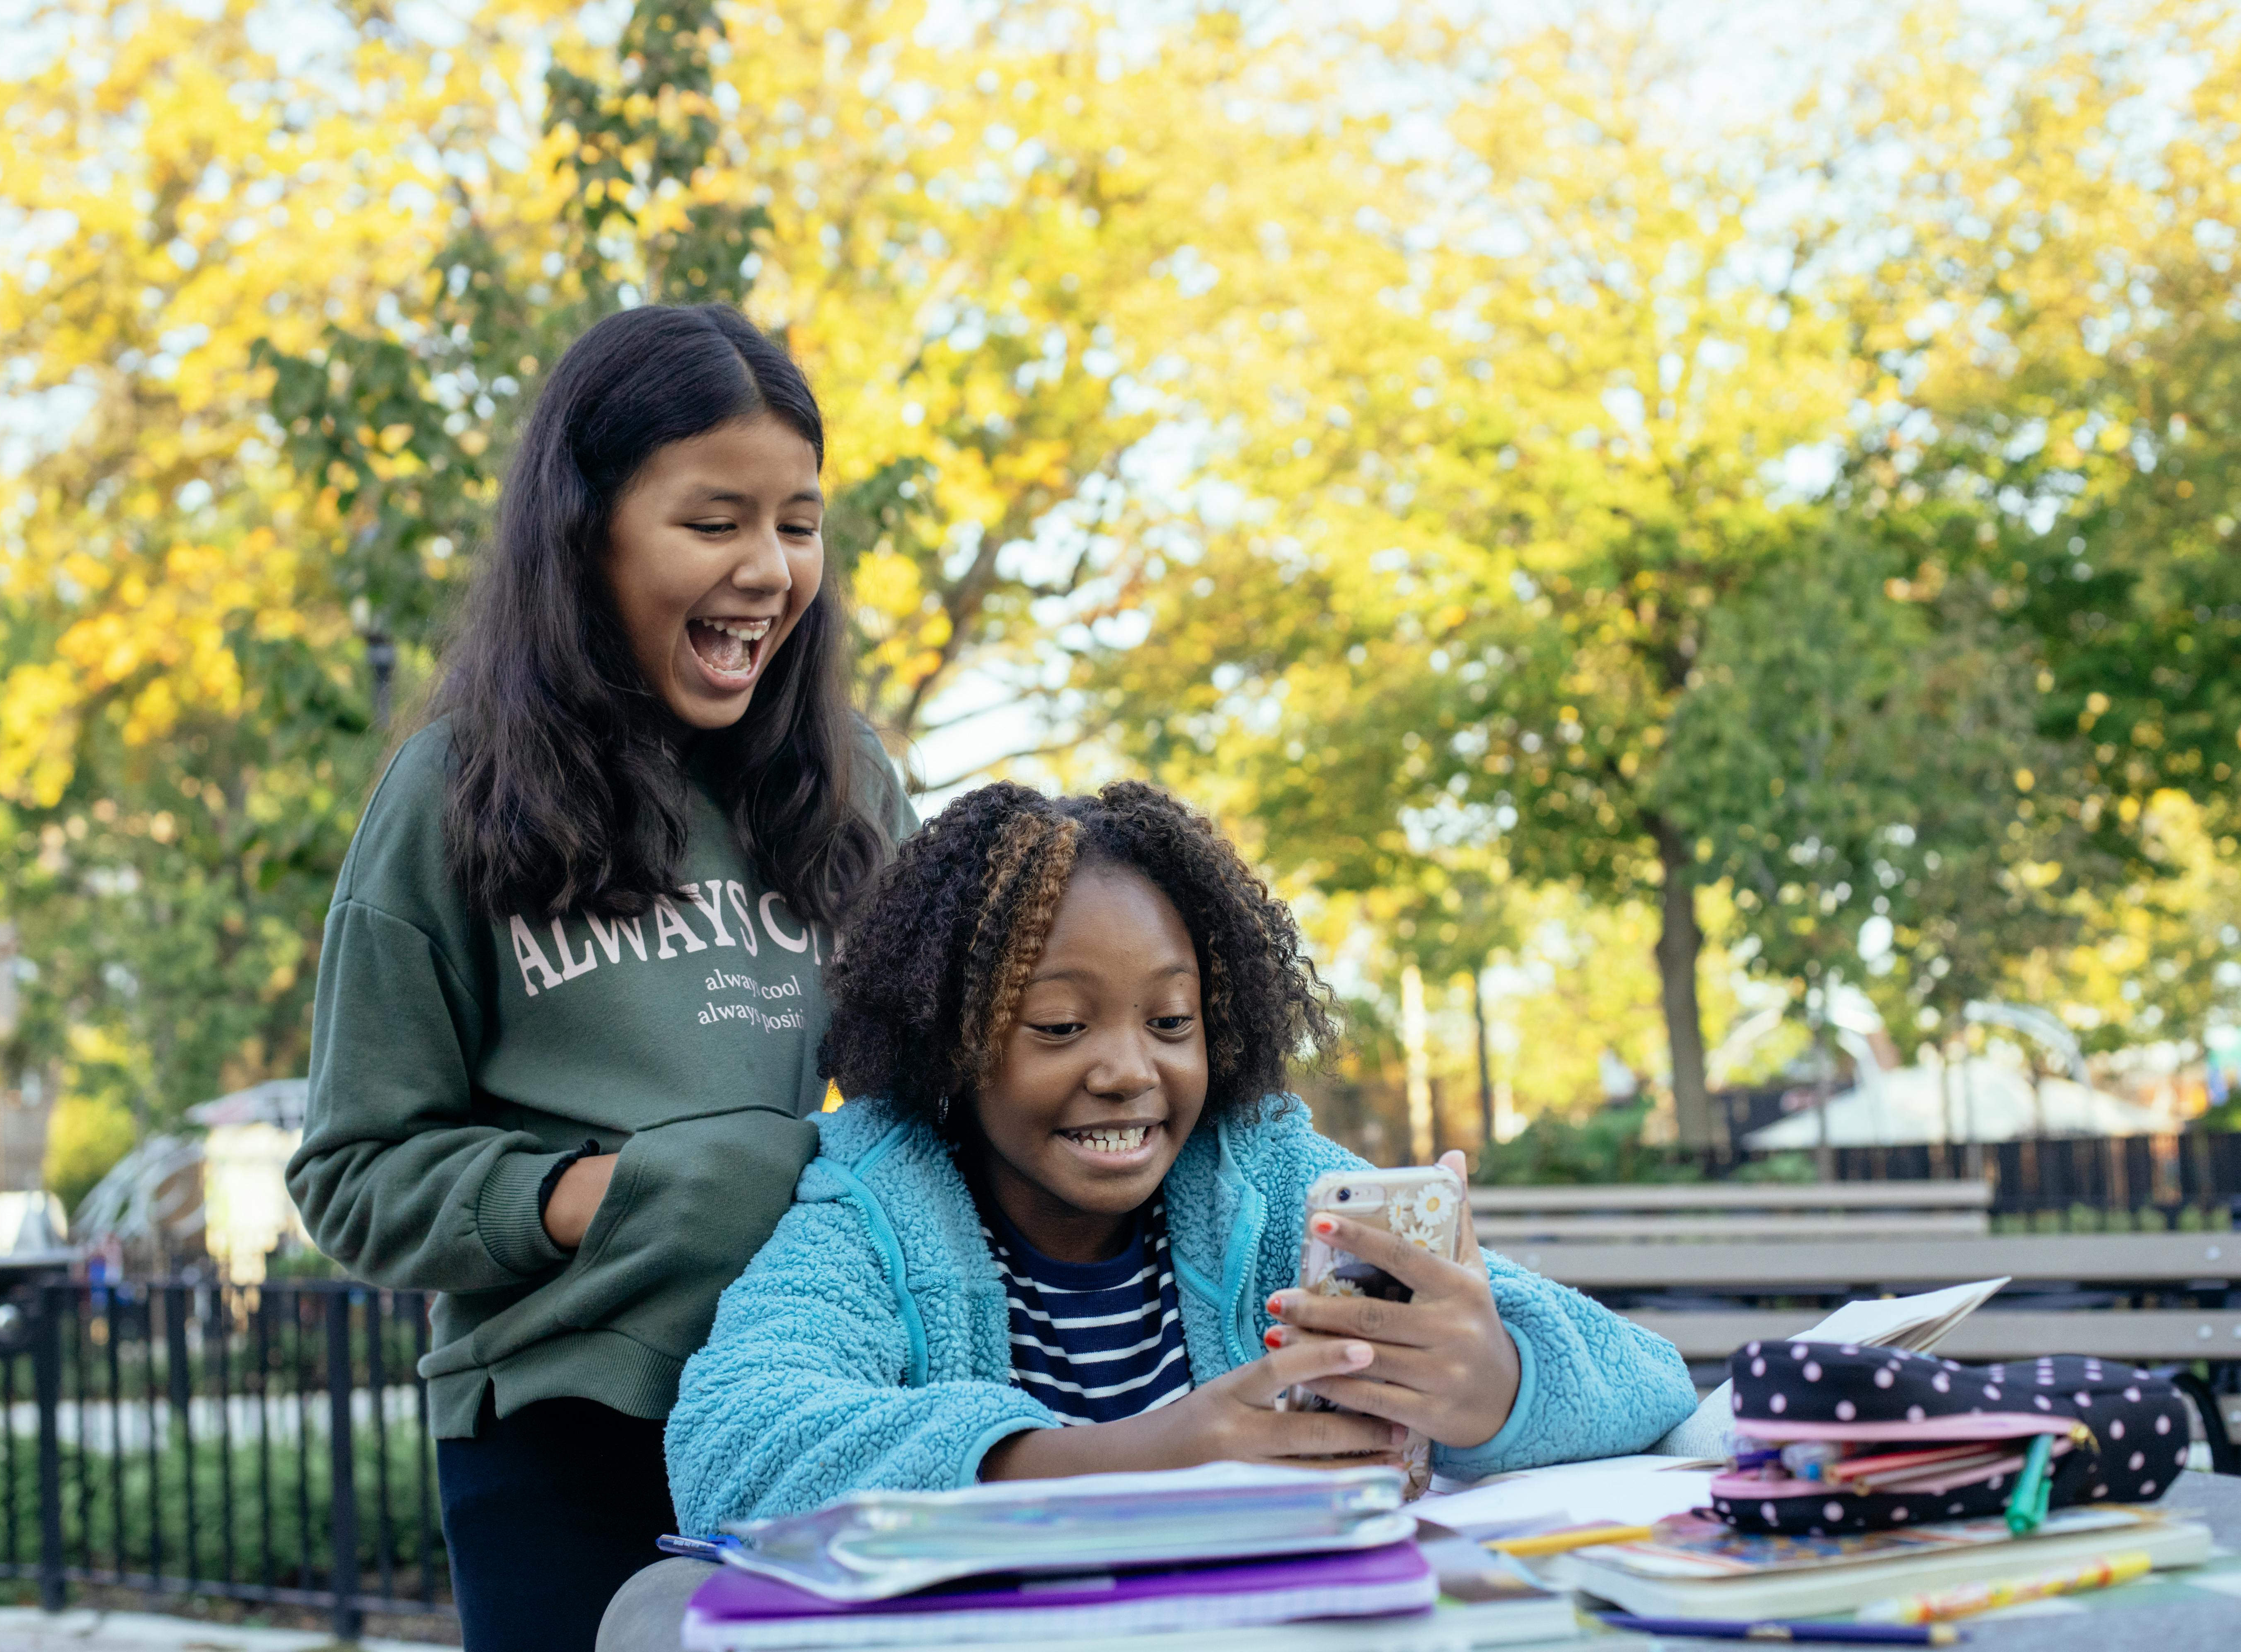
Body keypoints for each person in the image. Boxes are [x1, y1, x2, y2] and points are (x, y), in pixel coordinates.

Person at [286, 303, 913, 1647]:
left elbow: (937, 1101)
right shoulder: (452, 792)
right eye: (714, 521)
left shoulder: (854, 785)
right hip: (559, 1421)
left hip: (827, 1400)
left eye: (798, 524)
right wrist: (597, 1199)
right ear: (587, 529)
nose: (768, 569)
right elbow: (350, 1175)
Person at [662, 779, 1696, 1537]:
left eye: (1170, 1018)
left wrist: (1495, 1382)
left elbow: (1647, 1381)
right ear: (951, 1041)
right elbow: (732, 1440)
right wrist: (1122, 1459)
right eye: (1061, 1026)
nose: (1128, 1070)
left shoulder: (1268, 1178)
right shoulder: (878, 1203)